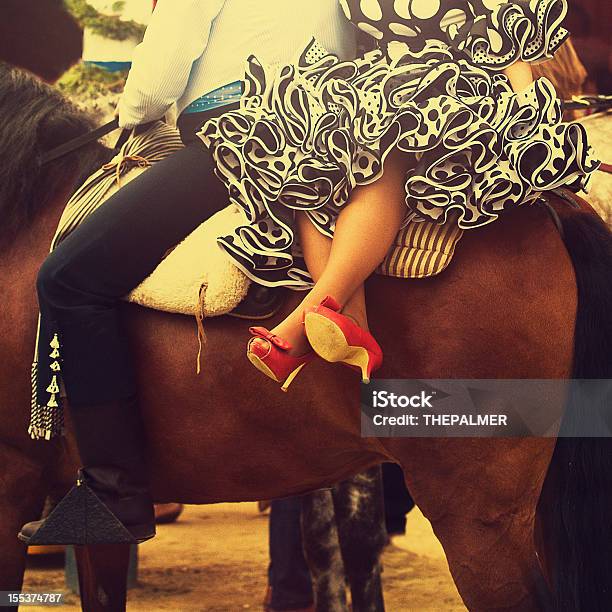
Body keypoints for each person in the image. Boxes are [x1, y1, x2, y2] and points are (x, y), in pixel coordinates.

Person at [18, 0, 356, 544]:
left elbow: (158, 80)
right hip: (333, 136)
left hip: (237, 140)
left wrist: (132, 116)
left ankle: (114, 492)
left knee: (67, 278)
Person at [197, 0, 599, 390]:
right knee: (307, 142)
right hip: (375, 81)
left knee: (385, 132)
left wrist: (529, 113)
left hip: (454, 85)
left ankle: (308, 316)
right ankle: (351, 320)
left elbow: (508, 28)